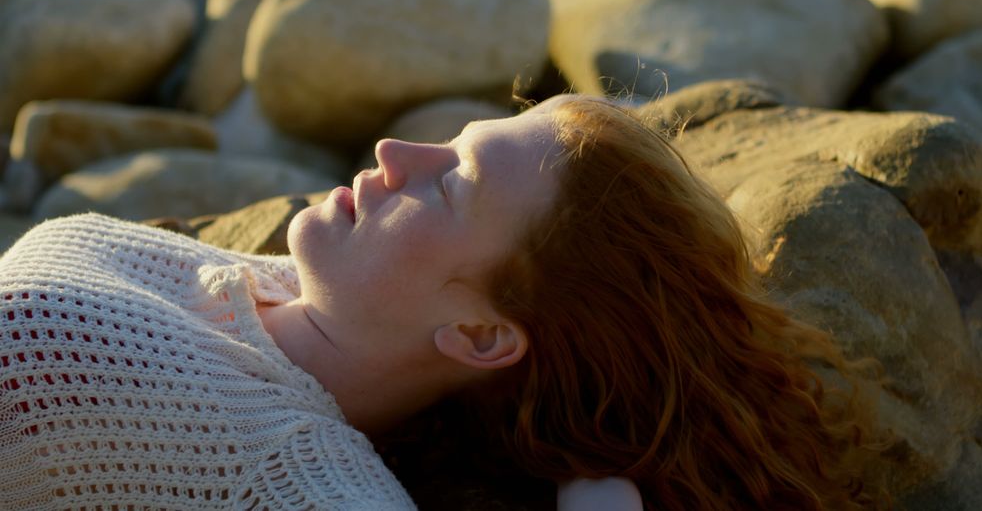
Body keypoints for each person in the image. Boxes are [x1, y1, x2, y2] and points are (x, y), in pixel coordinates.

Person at [0, 94, 885, 509]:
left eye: (450, 183)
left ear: (481, 334)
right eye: (450, 141)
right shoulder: (255, 285)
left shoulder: (301, 483)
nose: (393, 149)